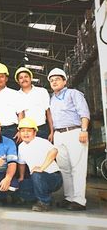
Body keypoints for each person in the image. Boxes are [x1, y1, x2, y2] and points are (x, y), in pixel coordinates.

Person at [48, 68, 90, 211]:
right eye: (52, 80)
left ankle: (79, 200)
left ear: (64, 81)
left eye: (57, 79)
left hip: (75, 131)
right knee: (64, 168)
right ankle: (69, 197)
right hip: (59, 135)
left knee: (77, 167)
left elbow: (84, 112)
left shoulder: (74, 94)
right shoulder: (52, 99)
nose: (54, 82)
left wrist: (84, 130)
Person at [16, 117, 62, 212]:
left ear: (35, 132)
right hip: (37, 178)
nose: (25, 133)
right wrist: (21, 177)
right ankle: (44, 197)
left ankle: (44, 202)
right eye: (23, 131)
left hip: (54, 177)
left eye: (29, 131)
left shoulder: (41, 141)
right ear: (19, 133)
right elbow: (21, 163)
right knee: (18, 186)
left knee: (36, 174)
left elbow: (54, 151)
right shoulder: (21, 147)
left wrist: (42, 168)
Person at [15, 67, 54, 141]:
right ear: (18, 81)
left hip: (42, 129)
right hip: (27, 131)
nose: (24, 79)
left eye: (26, 76)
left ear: (30, 78)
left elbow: (48, 112)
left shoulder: (42, 92)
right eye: (21, 78)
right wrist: (20, 131)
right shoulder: (16, 95)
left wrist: (52, 131)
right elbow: (21, 114)